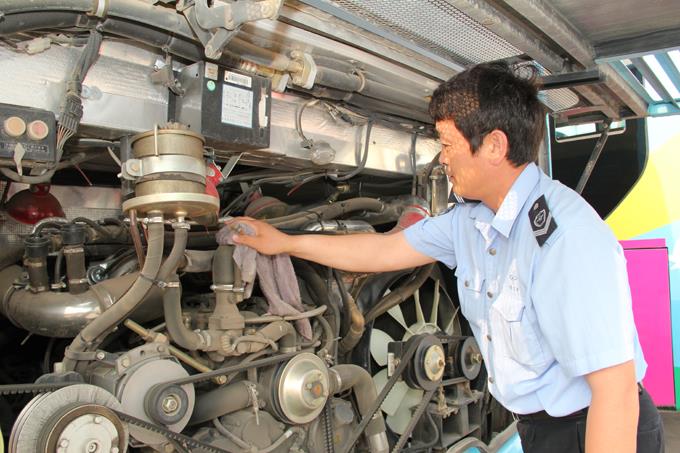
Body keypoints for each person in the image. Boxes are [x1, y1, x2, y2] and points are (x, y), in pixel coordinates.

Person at [226, 62, 664, 453]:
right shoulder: (470, 222)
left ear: (494, 146)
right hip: (541, 429)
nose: (442, 158)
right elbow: (384, 249)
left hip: (599, 428)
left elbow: (615, 392)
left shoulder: (564, 238)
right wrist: (284, 242)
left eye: (449, 143)